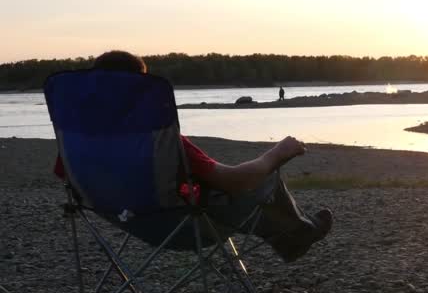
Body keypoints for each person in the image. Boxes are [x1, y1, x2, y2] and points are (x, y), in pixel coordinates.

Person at [53, 50, 332, 263]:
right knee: (262, 179)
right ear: (138, 91)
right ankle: (298, 233)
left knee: (222, 198)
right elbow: (234, 181)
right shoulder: (161, 142)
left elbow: (70, 186)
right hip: (184, 227)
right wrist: (278, 153)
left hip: (131, 223)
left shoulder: (76, 143)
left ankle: (292, 237)